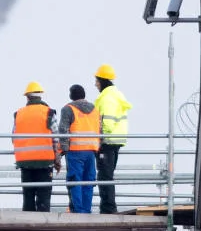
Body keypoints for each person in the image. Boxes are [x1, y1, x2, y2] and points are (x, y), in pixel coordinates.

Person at [12, 81, 60, 212]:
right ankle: (43, 227)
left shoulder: (19, 114)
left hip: (25, 163)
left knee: (28, 196)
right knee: (43, 197)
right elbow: (56, 138)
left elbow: (13, 136)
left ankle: (27, 228)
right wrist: (57, 159)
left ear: (27, 97)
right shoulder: (49, 113)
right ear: (40, 97)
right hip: (45, 162)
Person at [93, 64, 132, 214]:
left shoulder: (107, 98)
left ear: (102, 80)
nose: (95, 84)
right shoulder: (115, 94)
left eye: (96, 81)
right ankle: (109, 207)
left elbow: (107, 122)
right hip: (116, 140)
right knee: (107, 175)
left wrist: (99, 137)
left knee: (104, 176)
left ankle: (108, 208)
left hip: (107, 141)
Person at [58, 84, 100, 214]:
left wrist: (63, 150)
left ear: (71, 95)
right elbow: (101, 130)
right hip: (91, 151)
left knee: (75, 180)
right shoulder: (95, 110)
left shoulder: (68, 109)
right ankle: (87, 211)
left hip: (75, 151)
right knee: (89, 181)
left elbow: (63, 130)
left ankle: (78, 210)